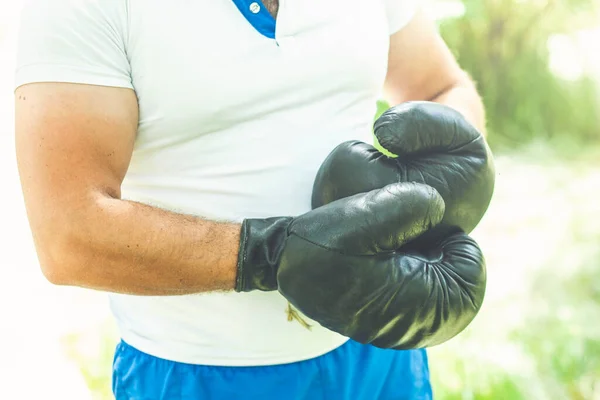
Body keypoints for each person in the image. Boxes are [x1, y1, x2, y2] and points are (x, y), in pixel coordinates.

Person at [14, 0, 491, 398]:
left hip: (382, 352)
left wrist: (450, 176)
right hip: (201, 375)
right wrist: (269, 253)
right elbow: (67, 233)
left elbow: (442, 86)